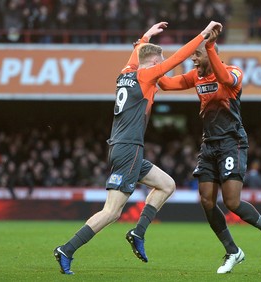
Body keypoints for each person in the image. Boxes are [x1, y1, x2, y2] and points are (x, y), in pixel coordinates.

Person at [53, 20, 222, 275]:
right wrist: (202, 35)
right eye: (159, 62)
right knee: (111, 211)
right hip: (129, 149)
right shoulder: (147, 74)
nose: (162, 68)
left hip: (123, 147)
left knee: (167, 185)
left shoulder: (126, 73)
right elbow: (178, 58)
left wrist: (145, 37)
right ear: (154, 64)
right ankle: (67, 249)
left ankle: (138, 232)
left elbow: (137, 56)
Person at [158, 27, 261, 274]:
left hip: (232, 142)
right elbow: (165, 84)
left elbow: (226, 80)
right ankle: (233, 251)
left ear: (209, 52)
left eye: (197, 55)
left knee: (232, 202)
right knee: (206, 200)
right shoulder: (196, 76)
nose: (193, 60)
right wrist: (156, 63)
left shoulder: (233, 73)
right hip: (209, 144)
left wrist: (209, 47)